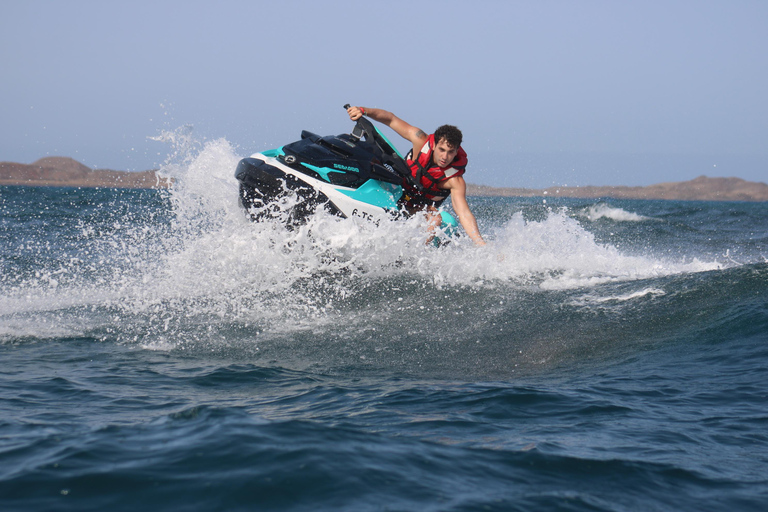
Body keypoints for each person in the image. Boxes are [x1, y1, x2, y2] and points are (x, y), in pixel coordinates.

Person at [346, 105, 486, 246]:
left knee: (435, 219)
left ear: (457, 152)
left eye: (451, 152)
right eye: (442, 150)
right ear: (434, 145)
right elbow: (391, 119)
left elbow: (464, 213)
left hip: (415, 208)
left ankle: (413, 254)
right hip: (392, 191)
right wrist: (364, 111)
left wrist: (480, 242)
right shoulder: (420, 140)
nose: (445, 156)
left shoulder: (455, 181)